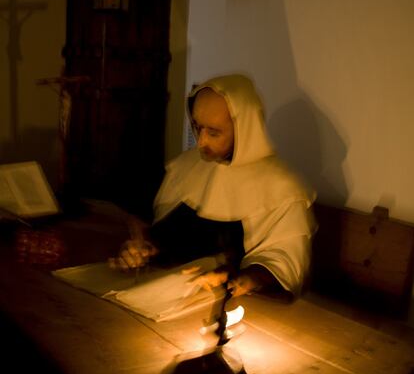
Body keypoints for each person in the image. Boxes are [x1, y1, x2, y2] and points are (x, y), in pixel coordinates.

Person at [109, 73, 316, 299]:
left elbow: (284, 266)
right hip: (169, 301)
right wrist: (142, 249)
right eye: (197, 127)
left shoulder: (282, 188)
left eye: (214, 132)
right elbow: (162, 237)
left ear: (244, 128)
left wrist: (246, 277)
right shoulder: (185, 167)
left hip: (240, 311)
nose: (201, 142)